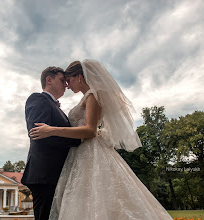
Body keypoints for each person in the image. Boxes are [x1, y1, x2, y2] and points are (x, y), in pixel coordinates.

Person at [29, 60, 173, 220]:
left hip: (90, 151)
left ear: (79, 77)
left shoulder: (92, 95)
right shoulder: (83, 97)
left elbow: (90, 130)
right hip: (75, 156)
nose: (67, 85)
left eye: (68, 80)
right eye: (64, 81)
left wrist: (51, 130)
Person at [21, 66, 81, 220]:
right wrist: (79, 139)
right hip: (45, 175)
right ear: (49, 80)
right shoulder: (38, 99)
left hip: (57, 173)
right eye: (62, 80)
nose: (66, 85)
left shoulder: (57, 107)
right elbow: (38, 134)